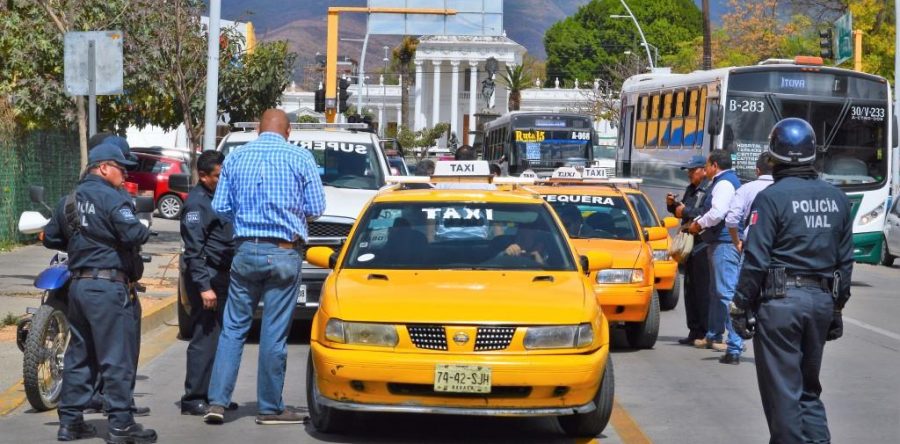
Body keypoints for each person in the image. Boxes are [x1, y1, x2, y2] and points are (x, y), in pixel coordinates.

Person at [731, 118, 852, 443]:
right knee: (809, 390)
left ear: (774, 157)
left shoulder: (771, 198)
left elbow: (756, 260)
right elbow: (845, 262)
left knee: (783, 393)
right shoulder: (837, 198)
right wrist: (837, 308)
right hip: (821, 303)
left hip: (781, 305)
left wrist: (740, 304)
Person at [205, 109, 325, 425]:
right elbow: (317, 207)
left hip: (246, 250)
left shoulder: (235, 158)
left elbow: (220, 206)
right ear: (288, 131)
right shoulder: (301, 158)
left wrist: (247, 219)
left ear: (258, 130)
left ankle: (217, 402)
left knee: (233, 328)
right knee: (274, 331)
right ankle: (270, 408)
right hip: (284, 252)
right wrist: (290, 216)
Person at [43, 144, 157, 443]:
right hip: (107, 287)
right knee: (116, 357)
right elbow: (134, 234)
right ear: (103, 167)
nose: (125, 174)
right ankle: (121, 424)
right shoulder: (113, 197)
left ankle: (70, 422)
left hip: (78, 286)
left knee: (80, 355)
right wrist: (143, 226)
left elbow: (52, 237)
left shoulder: (68, 200)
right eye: (121, 168)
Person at [179, 151, 236, 415]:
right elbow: (194, 251)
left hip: (223, 276)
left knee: (221, 338)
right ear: (203, 176)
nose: (223, 180)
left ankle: (215, 395)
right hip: (207, 278)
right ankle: (193, 398)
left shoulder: (220, 198)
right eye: (218, 176)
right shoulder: (197, 204)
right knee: (205, 337)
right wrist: (204, 287)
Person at [688, 150, 744, 363]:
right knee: (716, 291)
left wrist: (698, 224)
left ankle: (735, 341)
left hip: (725, 243)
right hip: (719, 242)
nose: (705, 169)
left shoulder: (724, 183)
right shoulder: (722, 182)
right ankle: (714, 334)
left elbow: (718, 212)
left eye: (707, 165)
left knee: (726, 292)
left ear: (714, 166)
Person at [666, 155, 711, 345]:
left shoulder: (709, 189)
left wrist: (684, 211)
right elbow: (682, 213)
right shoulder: (691, 189)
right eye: (689, 171)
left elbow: (707, 213)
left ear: (704, 170)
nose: (690, 174)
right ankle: (693, 330)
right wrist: (673, 206)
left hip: (702, 243)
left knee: (702, 290)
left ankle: (705, 331)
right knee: (690, 289)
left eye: (693, 170)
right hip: (689, 244)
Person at [725, 152, 774, 253]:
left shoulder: (745, 189)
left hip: (752, 247)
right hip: (779, 248)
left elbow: (731, 219)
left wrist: (737, 243)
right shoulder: (786, 189)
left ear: (757, 171)